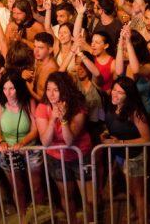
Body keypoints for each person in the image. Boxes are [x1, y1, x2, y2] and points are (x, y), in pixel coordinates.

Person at [35, 72, 92, 223]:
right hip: (56, 157)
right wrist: (53, 119)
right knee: (67, 196)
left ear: (64, 89)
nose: (51, 94)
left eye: (56, 89)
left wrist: (64, 120)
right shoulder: (42, 108)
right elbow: (45, 142)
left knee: (89, 198)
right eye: (48, 89)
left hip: (80, 154)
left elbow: (69, 141)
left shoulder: (77, 107)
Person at [0, 70, 44, 217]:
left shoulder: (28, 102)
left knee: (36, 187)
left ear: (19, 88)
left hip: (30, 149)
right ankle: (22, 218)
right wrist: (1, 142)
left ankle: (39, 216)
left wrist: (23, 142)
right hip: (8, 153)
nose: (8, 92)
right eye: (5, 88)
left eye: (12, 88)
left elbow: (35, 129)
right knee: (17, 188)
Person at [101, 76, 150, 224]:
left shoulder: (135, 112)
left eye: (120, 93)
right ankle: (137, 212)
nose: (115, 94)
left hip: (135, 156)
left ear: (128, 95)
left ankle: (143, 219)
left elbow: (147, 139)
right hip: (121, 155)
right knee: (130, 189)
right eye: (114, 90)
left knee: (138, 192)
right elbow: (112, 126)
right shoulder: (112, 106)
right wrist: (105, 134)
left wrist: (121, 142)